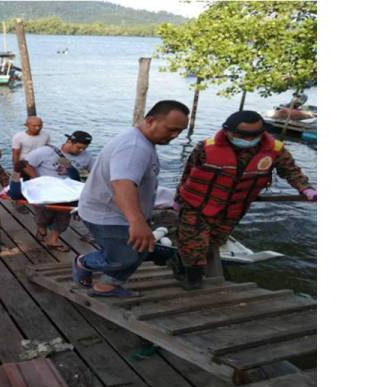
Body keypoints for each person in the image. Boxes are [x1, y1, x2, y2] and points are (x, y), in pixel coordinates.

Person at [173, 110, 317, 290]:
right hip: (196, 204)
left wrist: (306, 189)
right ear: (228, 131)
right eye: (243, 135)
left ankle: (183, 264)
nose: (248, 139)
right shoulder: (206, 147)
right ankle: (192, 281)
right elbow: (188, 173)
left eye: (254, 135)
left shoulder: (275, 150)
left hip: (233, 209)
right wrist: (178, 199)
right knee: (193, 244)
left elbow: (291, 171)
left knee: (213, 243)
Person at [73, 100, 190, 298]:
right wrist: (137, 222)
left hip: (121, 212)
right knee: (123, 257)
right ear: (151, 120)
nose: (175, 136)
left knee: (141, 249)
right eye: (171, 129)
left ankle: (107, 286)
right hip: (107, 214)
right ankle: (84, 262)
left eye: (180, 131)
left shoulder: (143, 141)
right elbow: (122, 184)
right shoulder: (134, 147)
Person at [20, 131, 94, 252]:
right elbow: (25, 164)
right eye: (79, 147)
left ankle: (52, 240)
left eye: (84, 148)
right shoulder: (45, 151)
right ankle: (41, 228)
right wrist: (36, 179)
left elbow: (95, 171)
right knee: (43, 217)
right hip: (44, 193)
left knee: (63, 218)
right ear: (69, 141)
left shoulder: (87, 156)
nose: (81, 150)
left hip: (68, 195)